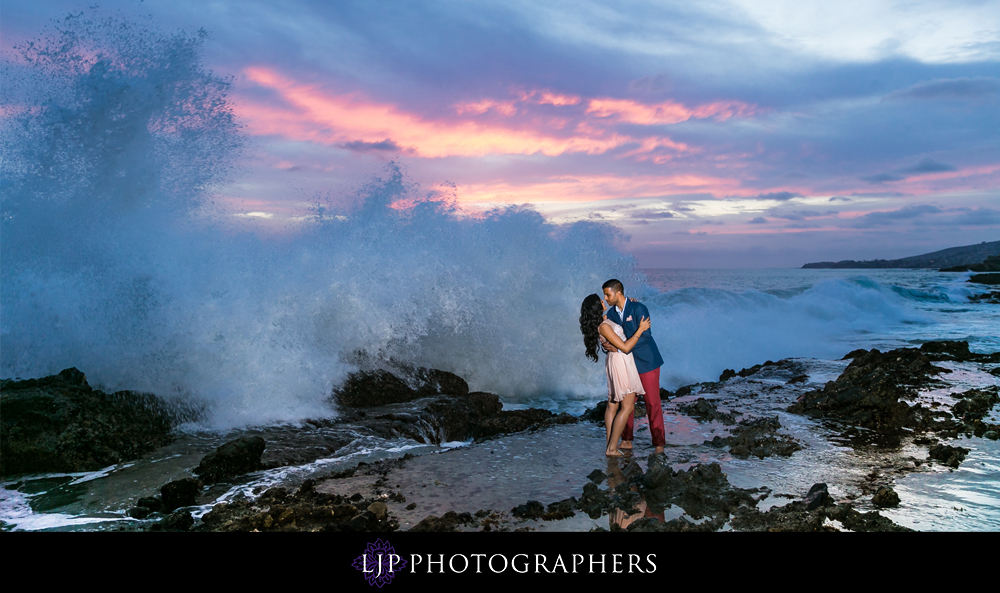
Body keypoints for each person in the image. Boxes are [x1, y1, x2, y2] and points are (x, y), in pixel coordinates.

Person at [579, 294, 652, 456]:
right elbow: (625, 347)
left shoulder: (603, 320)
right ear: (596, 306)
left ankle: (609, 444)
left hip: (615, 360)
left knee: (613, 404)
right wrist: (641, 329)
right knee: (627, 407)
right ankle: (612, 448)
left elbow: (617, 317)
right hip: (621, 362)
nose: (604, 301)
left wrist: (630, 302)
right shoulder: (603, 325)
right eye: (600, 301)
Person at [601, 279, 665, 454]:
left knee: (652, 403)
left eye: (608, 294)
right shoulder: (611, 314)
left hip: (647, 362)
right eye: (605, 295)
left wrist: (621, 346)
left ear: (618, 293)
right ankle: (626, 440)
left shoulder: (638, 308)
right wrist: (607, 345)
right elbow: (606, 335)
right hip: (626, 365)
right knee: (627, 404)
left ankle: (659, 443)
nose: (606, 298)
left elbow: (645, 336)